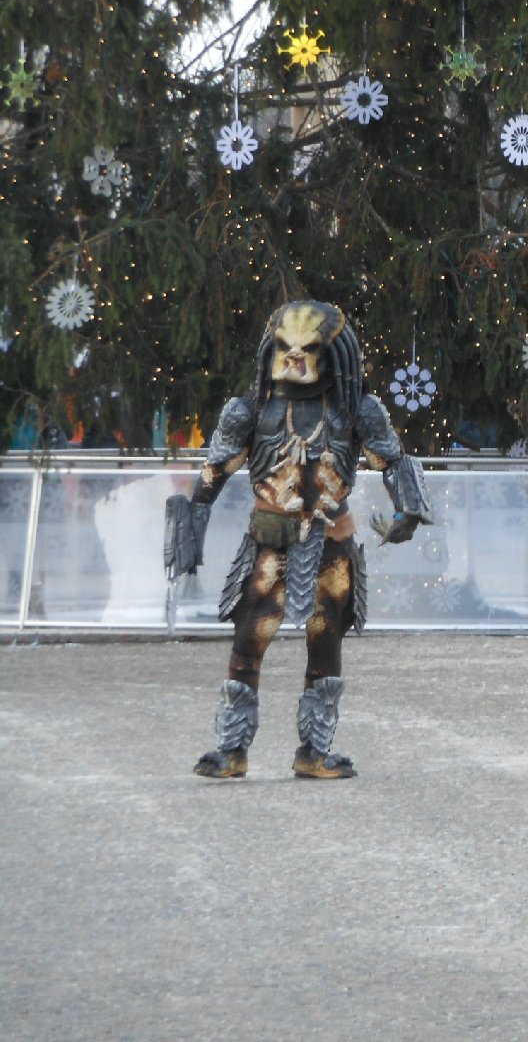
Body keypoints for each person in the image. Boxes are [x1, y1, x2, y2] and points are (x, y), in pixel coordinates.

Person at [164, 301, 434, 779]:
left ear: (332, 355)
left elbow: (391, 462)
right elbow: (214, 472)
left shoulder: (359, 409)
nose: (293, 358)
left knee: (325, 642)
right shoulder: (247, 410)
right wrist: (191, 527)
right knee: (249, 642)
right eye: (285, 348)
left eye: (307, 349)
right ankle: (232, 750)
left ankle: (314, 751)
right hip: (268, 543)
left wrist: (408, 511)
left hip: (332, 546)